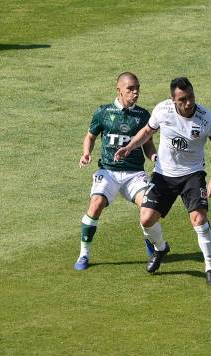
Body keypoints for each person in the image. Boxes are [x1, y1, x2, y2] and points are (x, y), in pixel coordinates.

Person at [114, 77, 211, 284]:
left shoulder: (206, 119)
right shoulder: (162, 110)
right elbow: (147, 132)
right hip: (163, 175)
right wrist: (130, 147)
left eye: (191, 97)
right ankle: (160, 249)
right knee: (146, 219)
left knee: (199, 219)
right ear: (173, 100)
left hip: (192, 175)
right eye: (183, 99)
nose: (189, 103)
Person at [74, 72, 167, 270]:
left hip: (134, 174)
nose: (135, 93)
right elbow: (90, 136)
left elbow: (147, 143)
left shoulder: (143, 115)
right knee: (96, 204)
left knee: (147, 209)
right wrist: (86, 153)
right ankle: (84, 254)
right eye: (130, 89)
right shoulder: (103, 112)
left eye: (137, 88)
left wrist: (154, 157)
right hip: (108, 171)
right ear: (119, 90)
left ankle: (155, 246)